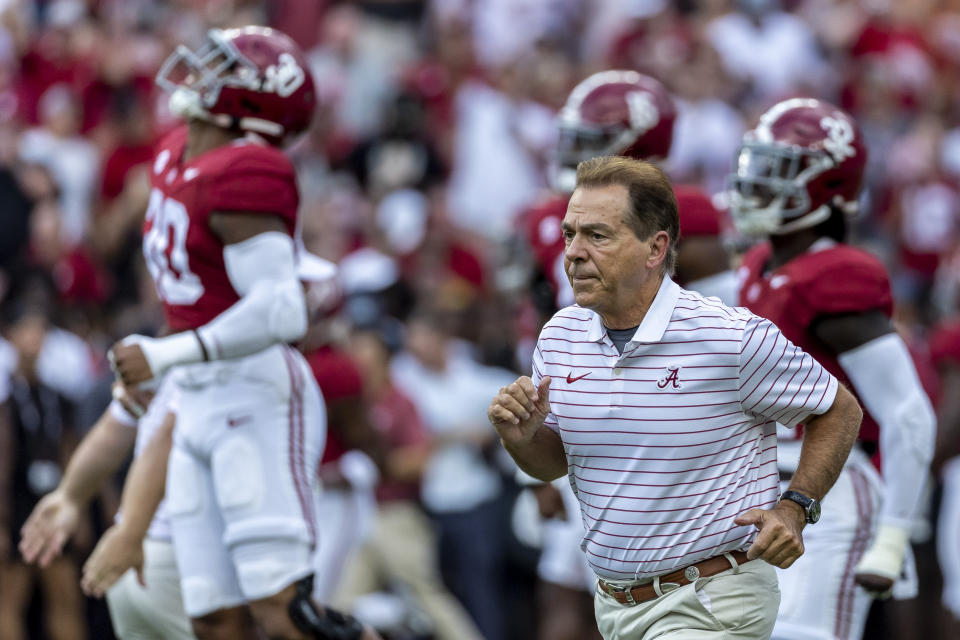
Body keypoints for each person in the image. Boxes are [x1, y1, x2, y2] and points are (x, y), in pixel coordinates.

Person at [488, 155, 864, 640]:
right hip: (617, 605)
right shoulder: (559, 335)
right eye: (569, 234)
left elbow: (838, 408)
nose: (574, 253)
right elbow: (554, 464)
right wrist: (521, 438)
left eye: (597, 236)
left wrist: (795, 507)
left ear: (655, 248)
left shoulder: (729, 335)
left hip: (711, 600)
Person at [106, 26, 379, 640]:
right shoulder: (176, 151)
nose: (199, 73)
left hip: (254, 396)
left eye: (221, 67)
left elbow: (282, 312)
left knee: (285, 613)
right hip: (201, 393)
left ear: (256, 99)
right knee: (213, 621)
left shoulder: (250, 168)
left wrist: (169, 351)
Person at [728, 98, 938, 640]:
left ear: (828, 185)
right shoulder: (759, 266)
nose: (756, 185)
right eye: (757, 166)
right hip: (758, 493)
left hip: (829, 493)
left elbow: (908, 412)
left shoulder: (837, 275)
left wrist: (894, 535)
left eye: (778, 172)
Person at [20, 379, 196, 640]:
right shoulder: (205, 359)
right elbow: (159, 435)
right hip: (174, 555)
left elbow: (118, 423)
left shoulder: (166, 362)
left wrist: (70, 495)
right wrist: (130, 532)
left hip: (133, 559)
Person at [0, 301, 87, 640]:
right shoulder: (6, 399)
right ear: (12, 335)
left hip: (52, 502)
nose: (34, 339)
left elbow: (71, 452)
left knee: (65, 597)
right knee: (10, 599)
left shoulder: (57, 397)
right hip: (16, 505)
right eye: (27, 331)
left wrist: (76, 504)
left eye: (41, 332)